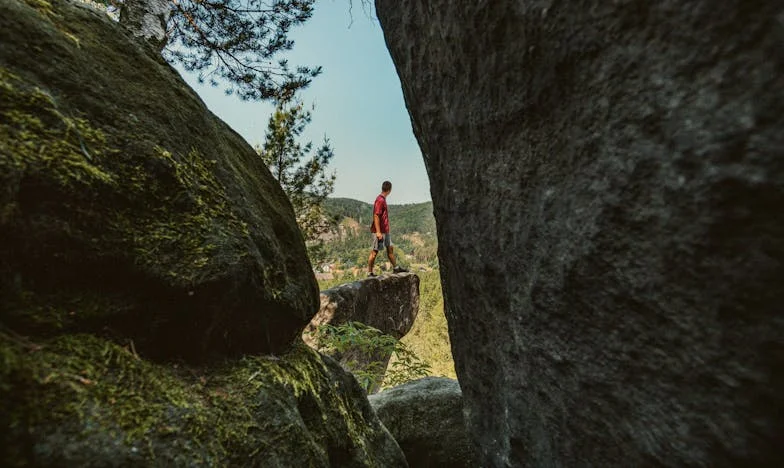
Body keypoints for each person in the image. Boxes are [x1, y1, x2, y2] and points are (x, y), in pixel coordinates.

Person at [368, 180, 407, 277]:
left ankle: (396, 268)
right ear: (390, 190)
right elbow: (376, 215)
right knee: (374, 252)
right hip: (379, 232)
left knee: (390, 248)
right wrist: (378, 232)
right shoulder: (380, 200)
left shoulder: (382, 199)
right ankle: (369, 272)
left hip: (385, 231)